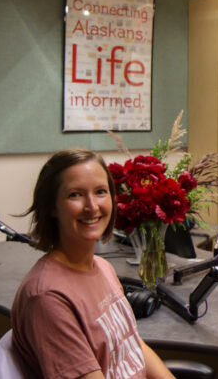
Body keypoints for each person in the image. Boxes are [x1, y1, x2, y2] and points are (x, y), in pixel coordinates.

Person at [11, 148, 175, 379]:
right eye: (75, 195)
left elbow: (131, 345)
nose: (92, 206)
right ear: (51, 207)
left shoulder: (102, 267)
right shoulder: (47, 297)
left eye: (100, 192)